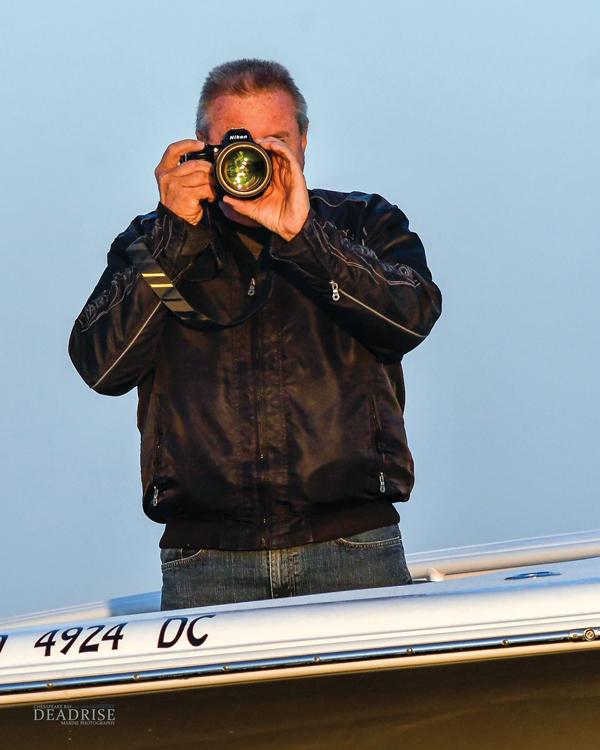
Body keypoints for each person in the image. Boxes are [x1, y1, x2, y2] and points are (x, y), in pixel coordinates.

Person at [69, 59, 442, 611]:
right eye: (237, 144)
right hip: (207, 559)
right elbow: (103, 366)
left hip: (353, 545)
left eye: (275, 142)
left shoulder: (362, 223)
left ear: (304, 142)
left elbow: (409, 317)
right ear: (201, 148)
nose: (254, 161)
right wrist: (175, 239)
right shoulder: (154, 244)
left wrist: (305, 238)